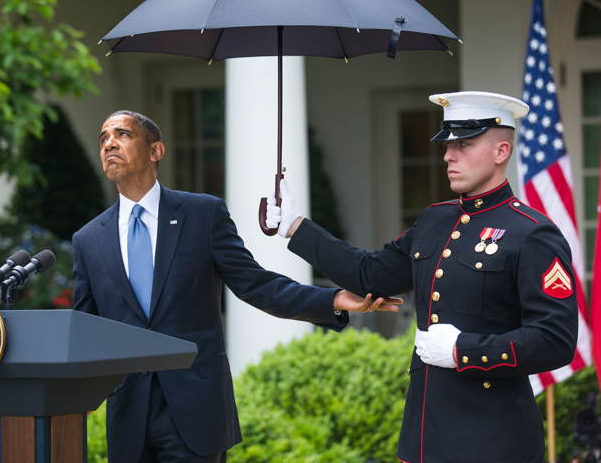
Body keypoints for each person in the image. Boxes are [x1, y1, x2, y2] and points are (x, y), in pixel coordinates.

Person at [72, 110, 401, 462]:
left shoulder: (202, 214)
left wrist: (333, 299)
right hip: (129, 414)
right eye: (103, 138)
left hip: (196, 408)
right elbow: (85, 327)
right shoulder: (89, 239)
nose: (109, 144)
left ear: (156, 151)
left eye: (122, 134)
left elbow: (255, 284)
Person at [266, 91, 578, 463]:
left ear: (501, 152)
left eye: (464, 144)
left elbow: (555, 340)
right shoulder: (435, 220)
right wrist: (297, 228)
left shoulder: (531, 233)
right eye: (448, 144)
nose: (449, 155)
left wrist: (464, 351)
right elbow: (370, 275)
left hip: (493, 440)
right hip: (425, 436)